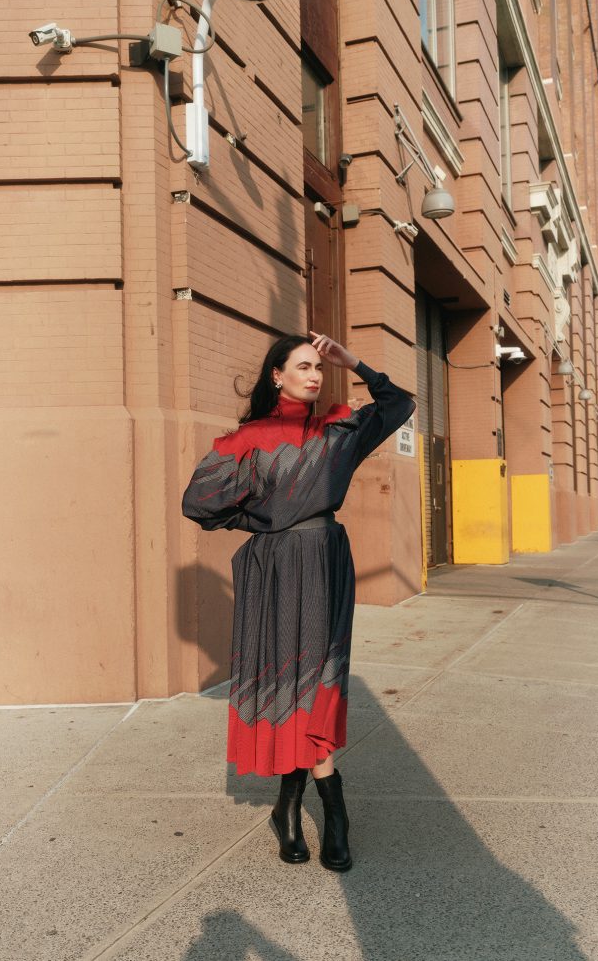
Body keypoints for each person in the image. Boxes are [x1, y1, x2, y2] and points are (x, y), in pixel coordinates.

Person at [182, 331, 416, 871]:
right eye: (304, 366)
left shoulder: (339, 430)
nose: (314, 375)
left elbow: (400, 404)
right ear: (277, 375)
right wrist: (264, 522)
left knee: (321, 678)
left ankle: (324, 809)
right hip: (275, 565)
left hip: (326, 561)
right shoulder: (249, 439)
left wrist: (351, 361)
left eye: (318, 367)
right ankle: (298, 807)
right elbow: (199, 501)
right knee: (289, 678)